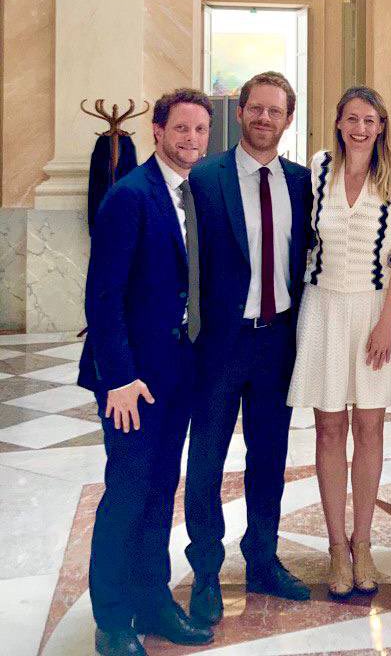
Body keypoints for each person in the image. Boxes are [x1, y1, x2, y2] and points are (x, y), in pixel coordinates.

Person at [79, 88, 215, 656]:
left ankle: (153, 599)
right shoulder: (129, 196)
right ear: (157, 132)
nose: (191, 140)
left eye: (200, 130)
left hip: (177, 373)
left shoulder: (195, 193)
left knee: (162, 491)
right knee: (128, 493)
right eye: (180, 129)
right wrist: (120, 378)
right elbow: (103, 296)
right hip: (131, 383)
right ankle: (112, 617)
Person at [184, 71, 312, 626]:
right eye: (255, 109)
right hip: (220, 342)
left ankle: (261, 557)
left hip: (278, 339)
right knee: (208, 457)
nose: (264, 119)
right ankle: (207, 570)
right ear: (240, 113)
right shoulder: (204, 178)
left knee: (269, 456)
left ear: (289, 118)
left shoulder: (304, 182)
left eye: (275, 111)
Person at [287, 86, 391, 599]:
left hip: (374, 311)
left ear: (382, 126)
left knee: (371, 427)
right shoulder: (318, 170)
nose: (361, 128)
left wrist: (386, 322)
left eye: (370, 120)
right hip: (323, 309)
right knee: (328, 430)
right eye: (352, 119)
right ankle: (335, 548)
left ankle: (363, 544)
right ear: (338, 123)